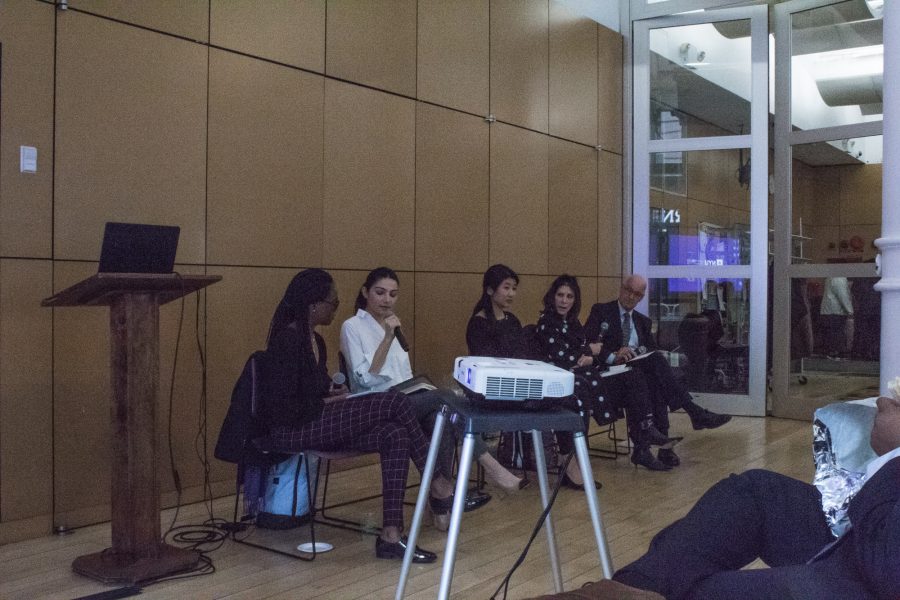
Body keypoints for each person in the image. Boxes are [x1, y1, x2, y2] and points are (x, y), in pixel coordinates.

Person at [610, 394, 900, 599]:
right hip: (875, 536)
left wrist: (894, 453)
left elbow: (888, 570)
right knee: (754, 491)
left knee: (696, 589)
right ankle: (629, 589)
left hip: (880, 569)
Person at [261, 268, 448, 563]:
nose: (336, 309)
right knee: (396, 403)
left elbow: (316, 386)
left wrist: (335, 392)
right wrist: (324, 400)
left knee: (394, 433)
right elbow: (282, 407)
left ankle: (391, 536)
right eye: (332, 304)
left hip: (317, 417)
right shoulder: (287, 341)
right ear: (313, 305)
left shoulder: (317, 342)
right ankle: (437, 481)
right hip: (292, 428)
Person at [339, 267, 506, 527]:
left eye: (393, 294)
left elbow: (404, 376)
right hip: (371, 406)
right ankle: (483, 462)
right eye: (380, 293)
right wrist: (386, 338)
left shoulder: (393, 327)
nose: (387, 300)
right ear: (365, 292)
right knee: (446, 397)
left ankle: (440, 506)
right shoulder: (352, 327)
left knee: (441, 417)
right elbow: (365, 379)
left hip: (402, 402)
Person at [466, 264, 598, 488]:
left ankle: (572, 458)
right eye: (506, 288)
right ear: (490, 290)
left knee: (577, 388)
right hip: (497, 391)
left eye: (514, 288)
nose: (511, 294)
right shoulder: (478, 324)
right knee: (570, 394)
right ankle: (570, 460)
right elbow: (490, 367)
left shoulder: (512, 320)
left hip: (520, 385)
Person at [584, 275, 732, 467]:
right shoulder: (601, 311)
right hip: (609, 373)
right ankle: (690, 416)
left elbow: (649, 348)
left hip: (635, 374)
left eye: (637, 294)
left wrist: (634, 352)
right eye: (628, 290)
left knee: (654, 377)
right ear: (621, 288)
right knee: (656, 368)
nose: (631, 296)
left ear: (641, 297)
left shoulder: (643, 321)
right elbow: (587, 343)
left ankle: (647, 449)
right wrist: (614, 355)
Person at [536, 275, 680, 472]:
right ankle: (650, 432)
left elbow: (584, 350)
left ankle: (647, 439)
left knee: (647, 374)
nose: (564, 301)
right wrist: (597, 354)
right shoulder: (559, 321)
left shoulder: (573, 322)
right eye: (560, 295)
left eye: (569, 297)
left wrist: (592, 354)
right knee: (637, 377)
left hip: (598, 375)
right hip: (580, 379)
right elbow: (572, 355)